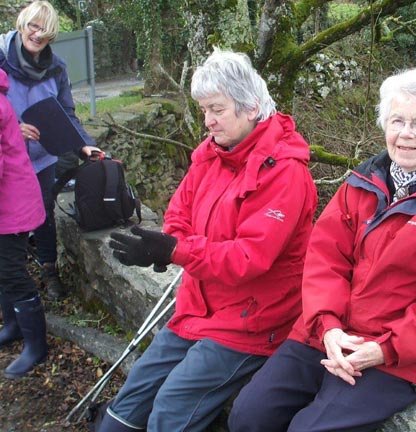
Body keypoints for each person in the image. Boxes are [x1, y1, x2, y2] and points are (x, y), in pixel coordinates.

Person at [228, 66, 416, 432]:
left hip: (397, 357)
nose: (405, 134)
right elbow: (325, 259)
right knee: (248, 415)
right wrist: (329, 327)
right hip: (326, 334)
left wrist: (385, 348)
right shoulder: (362, 184)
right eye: (396, 120)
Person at [100, 47, 318, 431]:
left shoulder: (285, 173)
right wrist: (167, 243)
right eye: (203, 110)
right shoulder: (212, 155)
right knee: (136, 389)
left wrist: (177, 250)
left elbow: (250, 258)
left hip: (253, 317)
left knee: (172, 405)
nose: (208, 121)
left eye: (216, 109)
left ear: (250, 107)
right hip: (199, 305)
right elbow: (177, 213)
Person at [0, 1, 100, 300]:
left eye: (46, 30)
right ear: (22, 24)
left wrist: (83, 142)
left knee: (42, 213)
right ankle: (13, 282)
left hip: (42, 159)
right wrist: (12, 128)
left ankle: (48, 270)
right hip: (6, 158)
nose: (38, 34)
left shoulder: (56, 66)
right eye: (34, 25)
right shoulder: (1, 58)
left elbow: (66, 111)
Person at [0, 67, 49, 379]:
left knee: (10, 270)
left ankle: (36, 345)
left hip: (11, 202)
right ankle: (13, 325)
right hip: (9, 199)